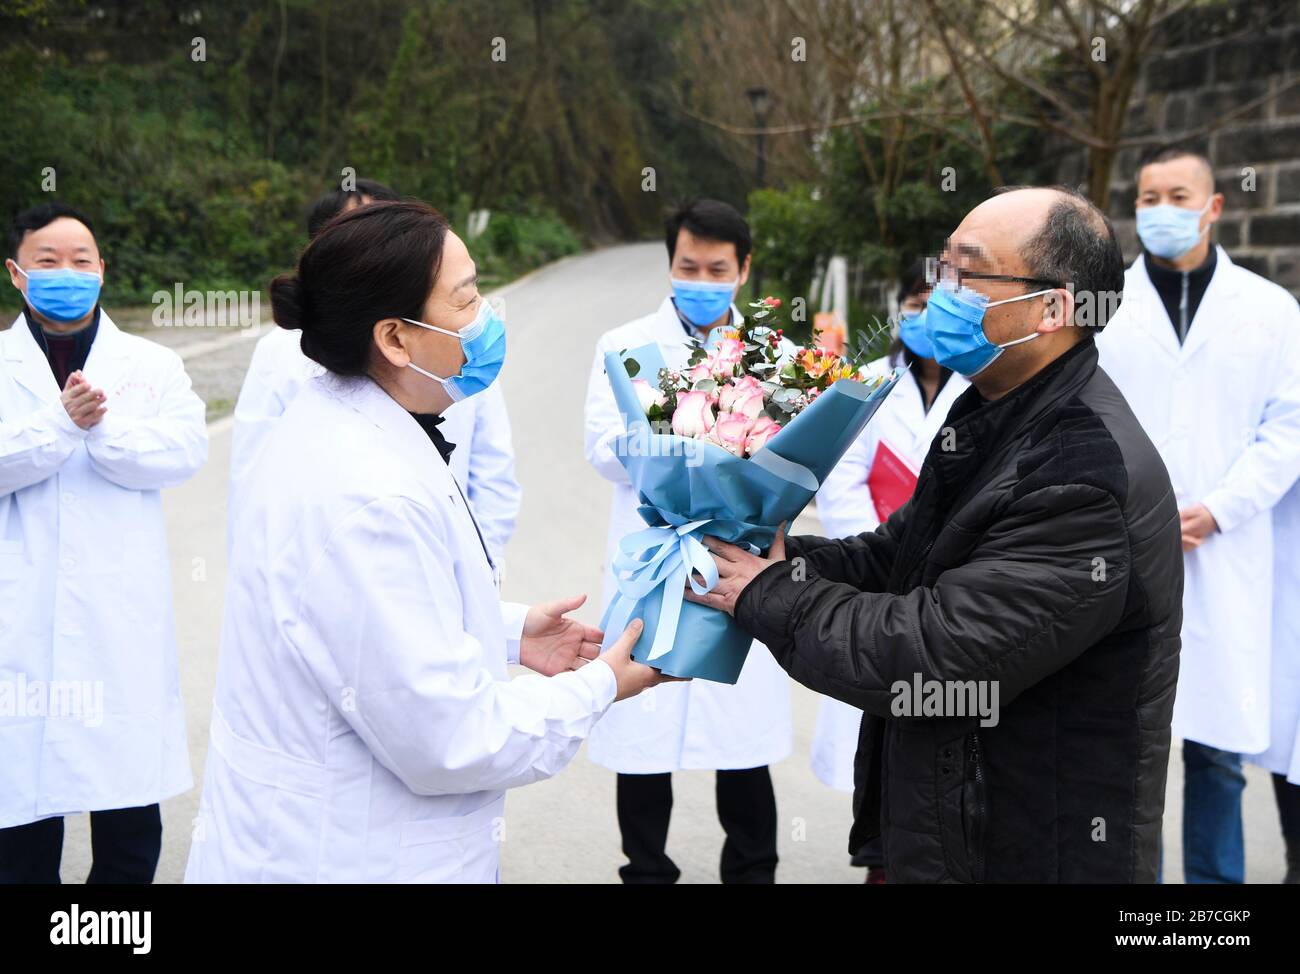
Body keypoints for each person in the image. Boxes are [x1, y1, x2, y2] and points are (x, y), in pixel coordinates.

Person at [688, 186, 1184, 883]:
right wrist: (777, 559)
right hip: (955, 823)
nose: (940, 291)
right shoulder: (991, 409)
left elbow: (937, 653)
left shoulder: (1081, 473)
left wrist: (769, 595)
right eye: (940, 266)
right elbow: (900, 556)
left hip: (1029, 846)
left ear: (1053, 308)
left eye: (966, 273)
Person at [184, 200, 667, 883]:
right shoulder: (368, 494)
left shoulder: (343, 422)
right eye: (467, 300)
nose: (488, 319)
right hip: (345, 852)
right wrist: (598, 687)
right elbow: (452, 739)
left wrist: (506, 632)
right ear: (396, 339)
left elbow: (364, 625)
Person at [1097, 147, 1300, 884]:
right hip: (1122, 550)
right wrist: (1132, 507)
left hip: (1226, 552)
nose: (1159, 211)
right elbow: (1085, 420)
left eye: (1177, 195)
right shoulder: (1105, 308)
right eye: (1147, 197)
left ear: (1214, 207)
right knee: (1126, 746)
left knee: (1217, 753)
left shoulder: (1272, 312)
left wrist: (1218, 508)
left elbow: (1289, 429)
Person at [583, 199, 793, 883]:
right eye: (687, 266)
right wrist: (677, 437)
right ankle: (645, 871)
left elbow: (796, 464)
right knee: (644, 722)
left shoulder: (777, 356)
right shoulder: (625, 348)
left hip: (740, 560)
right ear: (669, 264)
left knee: (740, 732)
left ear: (744, 269)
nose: (700, 279)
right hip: (657, 557)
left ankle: (753, 870)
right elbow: (601, 449)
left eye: (717, 268)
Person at [0, 201, 208, 882]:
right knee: (20, 826)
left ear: (103, 272)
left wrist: (102, 431)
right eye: (47, 261)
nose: (67, 272)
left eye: (80, 261)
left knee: (126, 832)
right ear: (16, 275)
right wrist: (58, 427)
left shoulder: (150, 364)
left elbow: (183, 451)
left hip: (119, 623)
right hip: (19, 624)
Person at [229, 179, 520, 558]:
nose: (483, 316)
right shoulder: (377, 503)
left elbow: (493, 472)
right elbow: (253, 481)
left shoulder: (455, 361)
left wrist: (490, 592)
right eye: (464, 298)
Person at [810, 261, 968, 882]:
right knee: (876, 722)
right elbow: (839, 479)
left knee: (938, 731)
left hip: (955, 576)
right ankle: (878, 857)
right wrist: (888, 549)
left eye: (940, 301)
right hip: (877, 568)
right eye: (915, 300)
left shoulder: (985, 386)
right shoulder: (866, 383)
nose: (925, 314)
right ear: (897, 307)